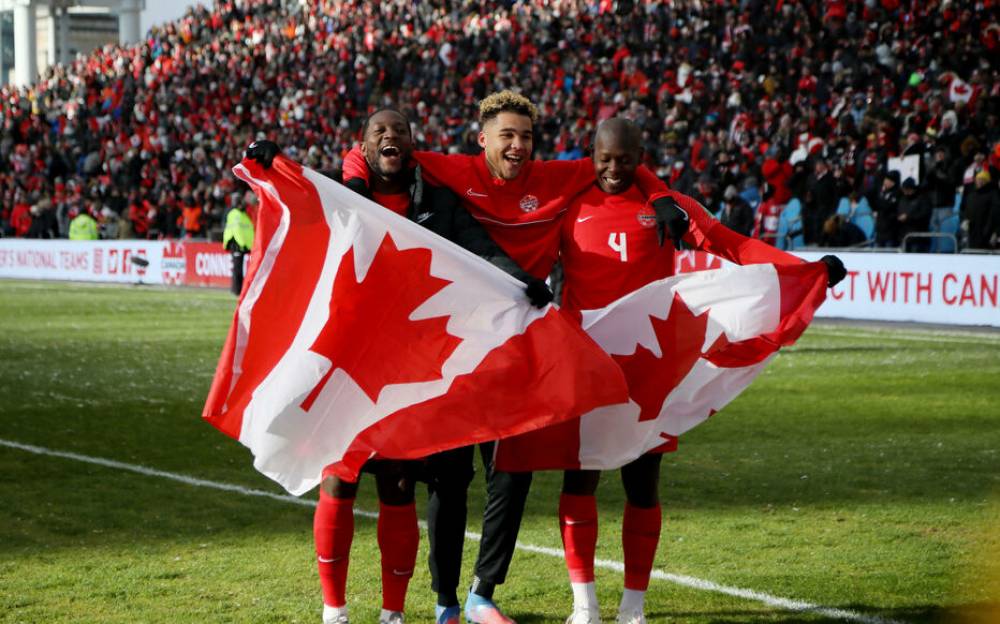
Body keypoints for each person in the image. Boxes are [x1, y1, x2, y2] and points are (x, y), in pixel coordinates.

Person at [342, 91, 668, 624]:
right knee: (450, 475)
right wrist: (354, 177)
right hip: (459, 344)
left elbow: (623, 160)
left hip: (522, 343)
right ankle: (445, 600)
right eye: (507, 136)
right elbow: (381, 148)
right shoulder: (452, 169)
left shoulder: (558, 177)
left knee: (512, 474)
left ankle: (481, 592)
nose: (518, 147)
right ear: (483, 139)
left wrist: (658, 197)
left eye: (526, 137)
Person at [247, 106, 551, 624]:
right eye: (378, 132)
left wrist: (522, 279)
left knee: (399, 485)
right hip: (349, 356)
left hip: (404, 366)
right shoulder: (348, 196)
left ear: (412, 145)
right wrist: (274, 161)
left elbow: (478, 251)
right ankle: (334, 609)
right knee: (339, 479)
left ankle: (393, 614)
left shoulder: (436, 200)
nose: (391, 137)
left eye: (400, 131)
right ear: (363, 148)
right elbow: (306, 195)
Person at [554, 118, 846, 624]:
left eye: (625, 160)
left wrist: (805, 268)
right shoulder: (568, 203)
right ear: (592, 154)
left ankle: (634, 606)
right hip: (588, 362)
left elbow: (733, 246)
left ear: (641, 155)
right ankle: (584, 605)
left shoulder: (670, 206)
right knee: (579, 479)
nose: (613, 169)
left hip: (648, 367)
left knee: (642, 485)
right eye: (605, 159)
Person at [222, 197, 254, 296]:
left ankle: (238, 289)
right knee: (237, 269)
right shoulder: (236, 214)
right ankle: (236, 290)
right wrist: (243, 244)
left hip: (243, 245)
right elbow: (237, 231)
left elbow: (247, 231)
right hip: (237, 245)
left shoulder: (242, 215)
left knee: (239, 268)